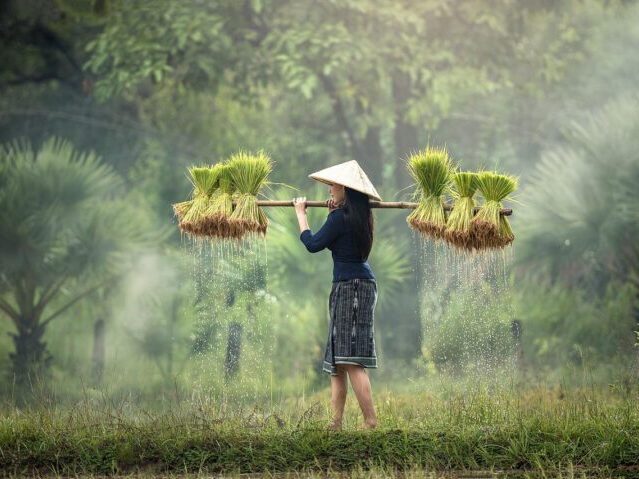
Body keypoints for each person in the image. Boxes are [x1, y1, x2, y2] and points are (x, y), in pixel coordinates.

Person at [292, 160, 382, 431]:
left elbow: (312, 244)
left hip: (352, 287)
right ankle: (336, 423)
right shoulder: (357, 217)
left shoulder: (340, 219)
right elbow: (338, 234)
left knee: (351, 360)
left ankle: (370, 421)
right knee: (338, 361)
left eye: (333, 185)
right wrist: (334, 212)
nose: (329, 189)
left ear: (344, 188)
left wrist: (301, 213)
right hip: (352, 285)